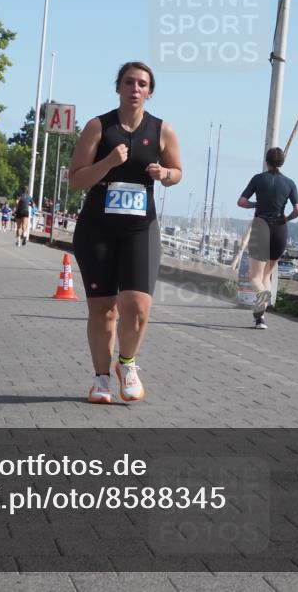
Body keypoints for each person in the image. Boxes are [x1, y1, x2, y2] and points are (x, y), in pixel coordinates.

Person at [68, 61, 182, 405]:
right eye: (129, 82)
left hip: (139, 228)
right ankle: (101, 379)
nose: (135, 88)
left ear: (150, 91)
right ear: (118, 87)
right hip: (97, 228)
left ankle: (127, 364)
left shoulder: (162, 130)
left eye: (142, 84)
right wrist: (108, 163)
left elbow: (178, 172)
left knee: (138, 306)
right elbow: (75, 179)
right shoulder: (97, 127)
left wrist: (164, 174)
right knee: (103, 309)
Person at [237, 147, 298, 330]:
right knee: (266, 275)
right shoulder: (289, 183)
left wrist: (255, 204)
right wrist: (286, 218)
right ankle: (260, 318)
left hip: (261, 227)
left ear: (266, 161)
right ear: (282, 162)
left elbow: (241, 201)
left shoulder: (258, 179)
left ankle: (263, 299)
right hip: (280, 230)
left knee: (254, 276)